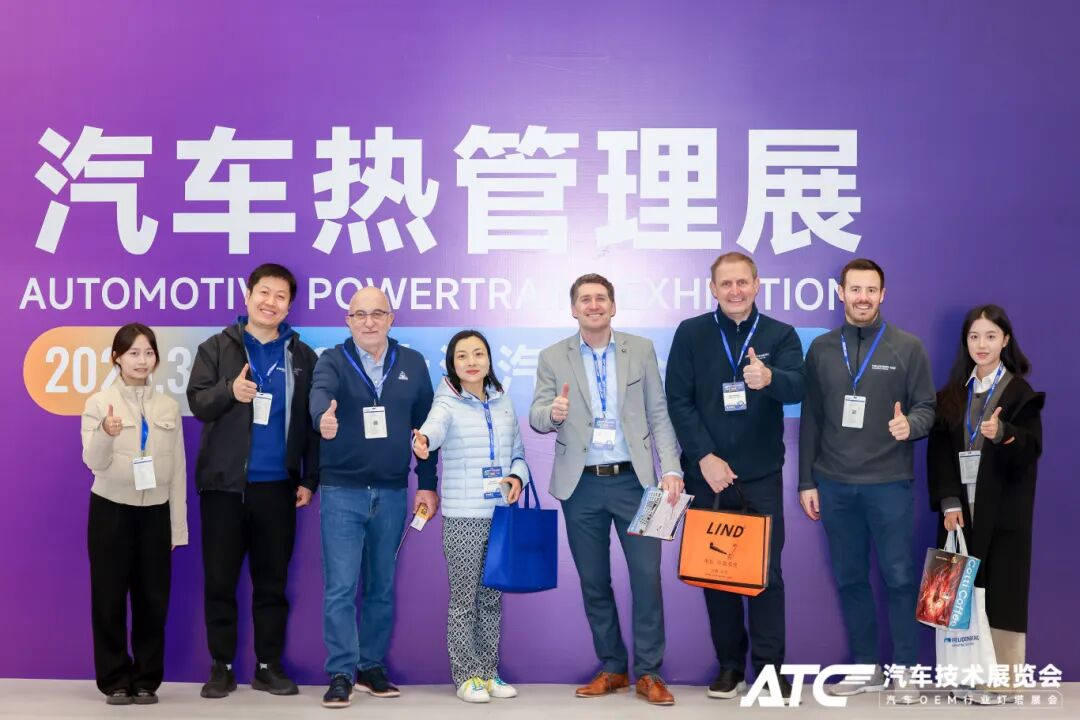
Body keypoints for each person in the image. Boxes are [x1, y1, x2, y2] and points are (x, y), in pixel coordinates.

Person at [529, 273, 683, 706]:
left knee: (647, 579)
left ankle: (649, 673)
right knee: (594, 580)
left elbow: (658, 413)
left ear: (613, 306)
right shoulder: (552, 356)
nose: (593, 305)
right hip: (580, 485)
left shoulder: (641, 349)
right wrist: (553, 412)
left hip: (636, 483)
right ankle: (614, 667)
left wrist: (671, 467)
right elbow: (537, 415)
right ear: (573, 309)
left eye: (601, 298)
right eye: (585, 299)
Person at [665, 252, 806, 702]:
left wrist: (770, 378)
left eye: (742, 282)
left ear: (757, 284)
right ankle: (730, 665)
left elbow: (799, 386)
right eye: (726, 284)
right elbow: (678, 399)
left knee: (766, 574)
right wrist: (704, 457)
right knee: (716, 573)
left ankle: (769, 670)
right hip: (707, 476)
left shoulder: (780, 334)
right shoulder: (691, 333)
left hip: (760, 475)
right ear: (713, 289)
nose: (735, 291)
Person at [797, 258, 935, 701]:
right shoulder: (821, 348)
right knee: (850, 578)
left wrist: (911, 425)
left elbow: (927, 407)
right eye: (854, 289)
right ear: (841, 293)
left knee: (899, 578)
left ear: (883, 294)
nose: (862, 297)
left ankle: (906, 669)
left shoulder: (907, 347)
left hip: (889, 482)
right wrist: (806, 481)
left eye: (871, 290)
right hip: (834, 484)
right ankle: (865, 667)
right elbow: (811, 418)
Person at [187, 263, 319, 699]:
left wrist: (309, 478)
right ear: (247, 296)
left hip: (278, 488)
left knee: (271, 584)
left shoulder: (303, 357)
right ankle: (221, 666)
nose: (270, 302)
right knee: (219, 581)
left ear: (289, 306)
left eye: (281, 296)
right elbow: (198, 402)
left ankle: (268, 666)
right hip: (224, 487)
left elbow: (312, 425)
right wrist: (229, 391)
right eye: (264, 292)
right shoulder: (216, 347)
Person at [311, 286, 437, 709]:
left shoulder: (412, 363)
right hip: (341, 491)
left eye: (377, 313)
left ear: (391, 318)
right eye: (359, 314)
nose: (369, 322)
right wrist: (322, 418)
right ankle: (341, 672)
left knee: (381, 586)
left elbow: (426, 430)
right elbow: (319, 394)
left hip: (392, 491)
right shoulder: (332, 360)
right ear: (348, 320)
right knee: (341, 588)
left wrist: (427, 482)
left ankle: (370, 667)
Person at [927, 305, 1044, 702]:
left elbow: (1031, 448)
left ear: (1005, 340)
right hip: (960, 515)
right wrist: (948, 502)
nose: (982, 344)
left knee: (1003, 594)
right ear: (966, 341)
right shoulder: (951, 395)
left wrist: (1003, 433)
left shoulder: (1020, 393)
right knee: (960, 590)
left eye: (991, 336)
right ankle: (964, 674)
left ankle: (1003, 681)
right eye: (974, 336)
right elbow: (939, 455)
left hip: (1004, 514)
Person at [412, 330, 530, 703]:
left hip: (500, 516)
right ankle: (466, 676)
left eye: (478, 353)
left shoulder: (504, 402)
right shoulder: (446, 402)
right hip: (464, 517)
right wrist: (423, 441)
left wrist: (517, 477)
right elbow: (432, 430)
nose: (471, 361)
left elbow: (519, 453)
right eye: (462, 356)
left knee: (491, 599)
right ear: (452, 363)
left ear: (489, 359)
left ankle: (488, 672)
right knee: (464, 600)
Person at [81, 323, 187, 705]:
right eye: (133, 353)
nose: (142, 360)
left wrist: (177, 528)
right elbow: (93, 462)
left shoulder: (168, 406)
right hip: (110, 510)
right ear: (117, 358)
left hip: (155, 514)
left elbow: (178, 470)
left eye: (148, 352)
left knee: (152, 601)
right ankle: (114, 679)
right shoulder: (99, 403)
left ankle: (145, 680)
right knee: (108, 599)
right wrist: (105, 433)